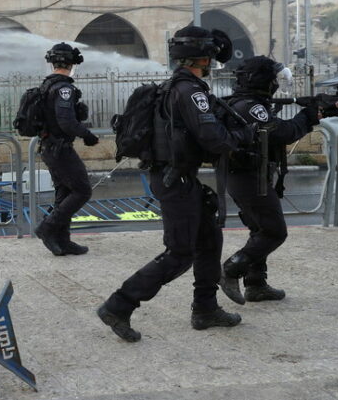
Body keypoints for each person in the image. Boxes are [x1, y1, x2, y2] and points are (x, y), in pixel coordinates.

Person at [97, 26, 253, 342]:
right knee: (179, 253)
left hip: (178, 177)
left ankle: (206, 309)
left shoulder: (177, 87)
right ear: (203, 57)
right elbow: (212, 138)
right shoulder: (189, 91)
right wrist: (241, 136)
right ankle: (119, 304)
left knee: (209, 240)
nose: (212, 62)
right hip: (175, 179)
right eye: (210, 56)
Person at [218, 56, 322, 304]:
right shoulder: (250, 106)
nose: (276, 84)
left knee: (259, 229)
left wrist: (317, 110)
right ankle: (231, 269)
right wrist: (309, 116)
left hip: (248, 175)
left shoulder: (248, 103)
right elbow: (283, 132)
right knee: (274, 232)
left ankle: (256, 284)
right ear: (263, 81)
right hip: (249, 178)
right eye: (273, 79)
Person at [32, 43, 100, 256]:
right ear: (71, 64)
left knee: (65, 192)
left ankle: (63, 240)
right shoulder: (63, 88)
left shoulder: (46, 85)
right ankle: (47, 228)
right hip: (60, 149)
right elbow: (66, 121)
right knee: (82, 191)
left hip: (49, 147)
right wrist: (87, 135)